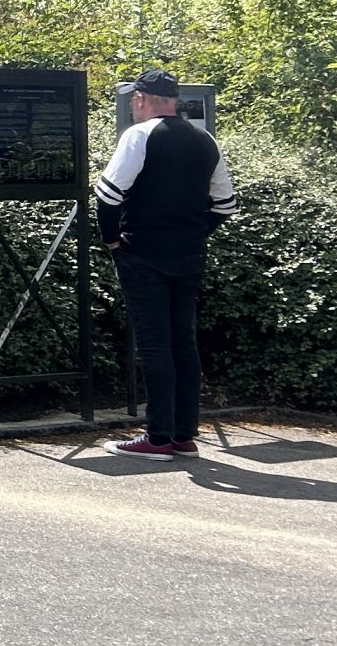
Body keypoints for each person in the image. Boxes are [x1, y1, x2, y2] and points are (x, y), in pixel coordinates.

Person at [96, 70, 235, 458]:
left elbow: (107, 196)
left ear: (140, 99)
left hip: (143, 253)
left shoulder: (138, 135)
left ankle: (156, 436)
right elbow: (225, 205)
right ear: (174, 100)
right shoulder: (205, 139)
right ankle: (183, 434)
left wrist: (113, 241)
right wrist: (192, 234)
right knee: (183, 342)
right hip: (189, 254)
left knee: (155, 343)